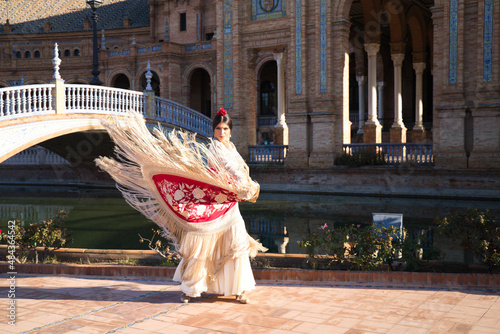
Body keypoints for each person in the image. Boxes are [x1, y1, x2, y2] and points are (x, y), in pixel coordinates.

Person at [95, 108, 266, 305]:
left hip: (229, 202)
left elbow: (239, 166)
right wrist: (245, 184)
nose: (221, 132)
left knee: (236, 244)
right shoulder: (215, 147)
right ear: (214, 130)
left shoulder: (231, 147)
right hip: (213, 201)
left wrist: (245, 183)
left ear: (230, 130)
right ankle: (190, 289)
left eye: (225, 128)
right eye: (218, 128)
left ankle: (239, 289)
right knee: (200, 246)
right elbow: (229, 167)